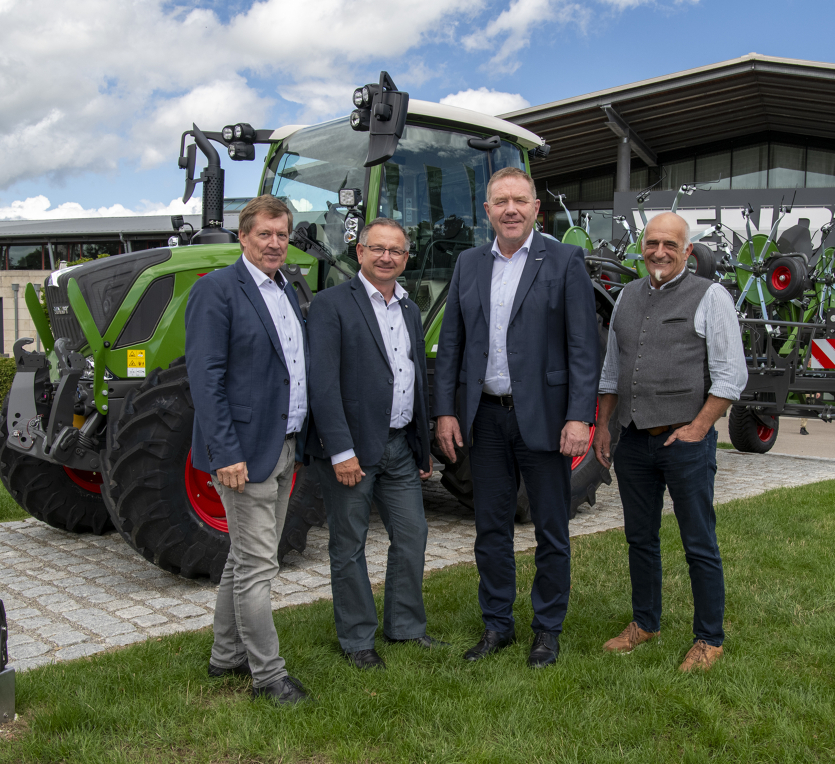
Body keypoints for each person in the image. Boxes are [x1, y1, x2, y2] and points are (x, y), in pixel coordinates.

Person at [433, 166, 601, 669]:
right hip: (485, 418)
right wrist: (445, 410)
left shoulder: (565, 261)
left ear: (535, 209)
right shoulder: (468, 263)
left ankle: (547, 630)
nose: (510, 209)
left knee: (551, 529)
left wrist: (579, 417)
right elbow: (452, 345)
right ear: (487, 211)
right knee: (490, 529)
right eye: (501, 201)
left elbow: (583, 347)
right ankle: (497, 625)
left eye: (520, 201)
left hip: (545, 419)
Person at [591, 212, 748, 673]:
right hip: (633, 439)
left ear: (687, 251)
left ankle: (709, 639)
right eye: (652, 243)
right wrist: (604, 425)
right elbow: (612, 371)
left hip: (684, 442)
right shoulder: (626, 295)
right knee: (640, 538)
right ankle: (645, 623)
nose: (659, 252)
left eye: (670, 245)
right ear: (642, 247)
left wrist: (698, 428)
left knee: (698, 541)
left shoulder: (710, 296)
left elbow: (731, 376)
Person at [185, 196, 310, 705]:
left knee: (245, 559)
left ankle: (226, 656)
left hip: (284, 443)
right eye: (265, 234)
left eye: (282, 235)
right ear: (243, 237)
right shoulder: (217, 290)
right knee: (259, 567)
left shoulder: (286, 290)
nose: (275, 243)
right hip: (244, 454)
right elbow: (205, 379)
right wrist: (225, 452)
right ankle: (269, 677)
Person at [307, 217, 443, 670]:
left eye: (396, 251)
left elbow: (415, 378)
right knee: (349, 544)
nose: (387, 257)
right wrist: (340, 450)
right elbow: (322, 383)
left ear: (406, 258)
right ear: (360, 252)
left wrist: (421, 446)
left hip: (400, 446)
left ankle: (405, 627)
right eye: (378, 248)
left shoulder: (410, 308)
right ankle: (357, 639)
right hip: (352, 451)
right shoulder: (330, 305)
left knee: (413, 534)